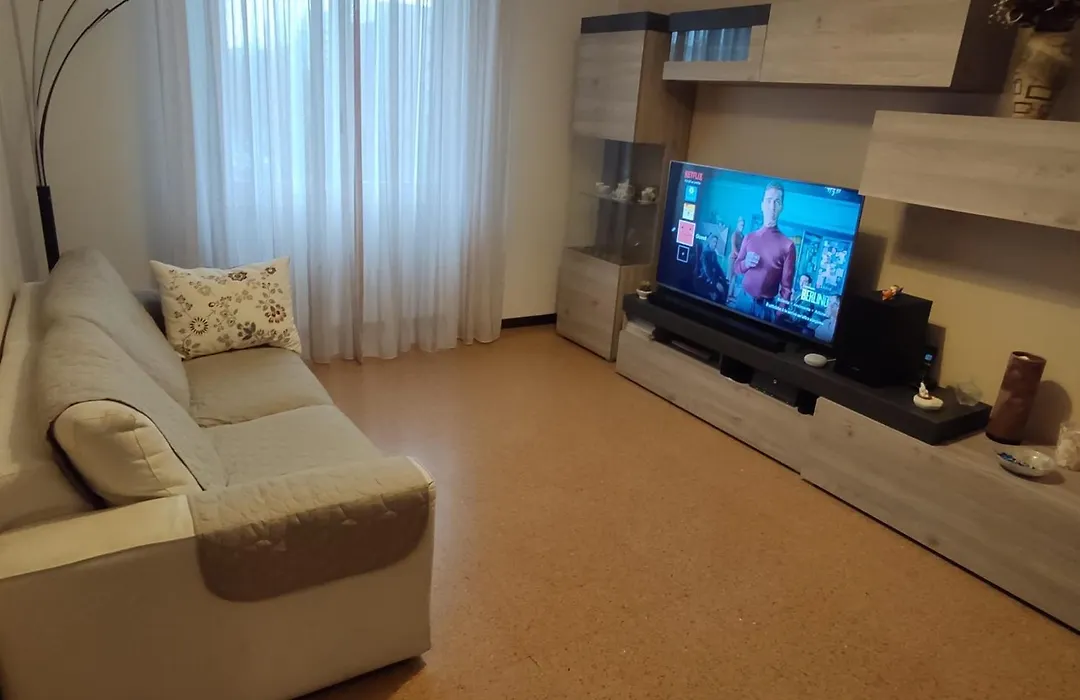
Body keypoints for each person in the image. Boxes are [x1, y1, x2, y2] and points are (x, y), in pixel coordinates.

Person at [732, 183, 797, 323]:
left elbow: (786, 288)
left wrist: (779, 315)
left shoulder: (788, 245)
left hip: (766, 309)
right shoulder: (749, 237)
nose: (772, 206)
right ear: (762, 205)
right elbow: (736, 268)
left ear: (781, 207)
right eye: (769, 200)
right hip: (742, 300)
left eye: (777, 202)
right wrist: (745, 263)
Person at [694, 234, 727, 303]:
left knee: (725, 285)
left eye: (716, 242)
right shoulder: (705, 254)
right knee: (719, 292)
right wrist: (716, 283)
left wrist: (723, 276)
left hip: (713, 278)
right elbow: (706, 271)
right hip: (705, 279)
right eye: (714, 242)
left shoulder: (714, 253)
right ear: (710, 242)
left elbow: (717, 266)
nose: (715, 244)